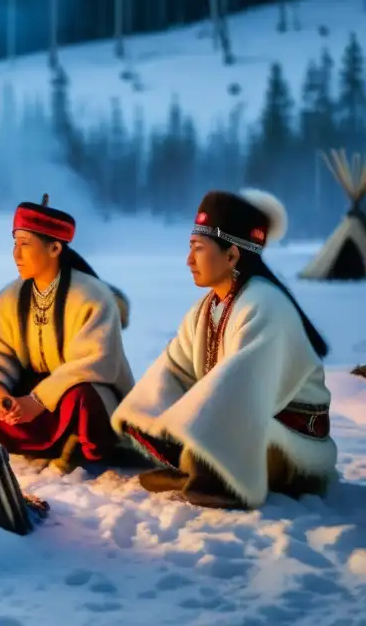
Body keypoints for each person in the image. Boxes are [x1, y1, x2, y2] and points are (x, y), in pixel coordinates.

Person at [113, 189, 337, 509]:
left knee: (210, 440)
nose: (189, 260)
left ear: (231, 256)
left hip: (293, 443)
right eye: (190, 248)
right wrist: (145, 416)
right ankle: (198, 466)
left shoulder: (265, 304)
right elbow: (174, 367)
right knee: (174, 430)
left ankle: (210, 475)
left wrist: (186, 423)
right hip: (248, 424)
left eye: (198, 249)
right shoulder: (206, 308)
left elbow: (241, 389)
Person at [0, 195, 137, 474]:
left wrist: (39, 401)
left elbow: (96, 362)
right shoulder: (12, 295)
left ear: (54, 248)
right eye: (15, 243)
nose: (16, 254)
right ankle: (29, 438)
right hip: (28, 397)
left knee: (84, 396)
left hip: (69, 396)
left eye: (25, 244)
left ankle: (76, 441)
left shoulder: (91, 296)